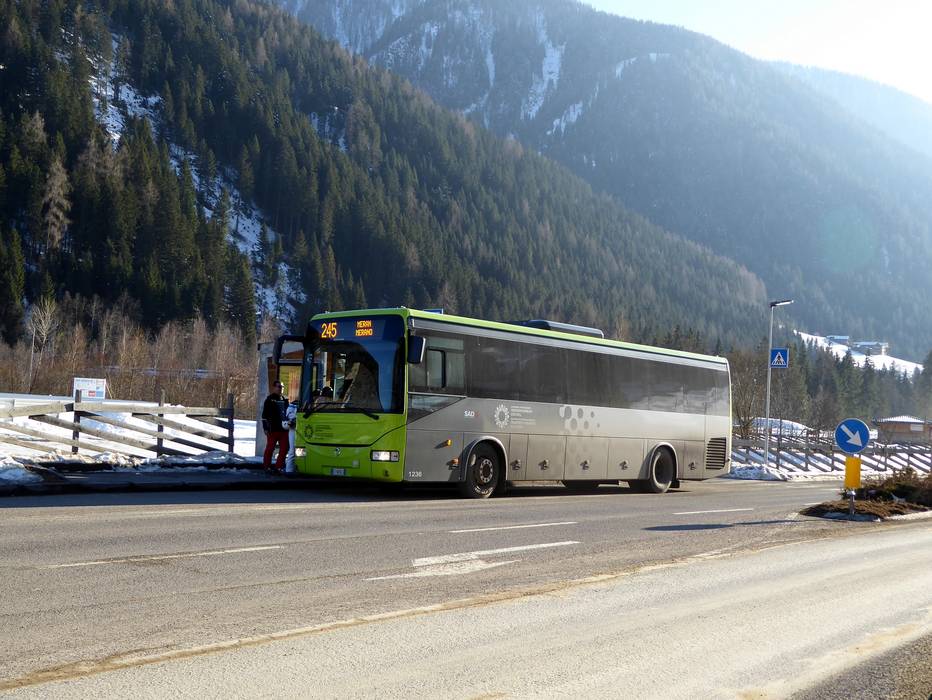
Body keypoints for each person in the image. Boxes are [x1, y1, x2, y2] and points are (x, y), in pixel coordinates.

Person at [262, 380, 289, 473]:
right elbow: (264, 415)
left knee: (284, 449)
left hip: (283, 429)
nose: (280, 389)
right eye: (279, 387)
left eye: (282, 387)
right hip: (272, 429)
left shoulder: (285, 400)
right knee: (270, 448)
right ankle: (267, 466)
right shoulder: (269, 400)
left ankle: (278, 467)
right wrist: (265, 428)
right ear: (274, 388)